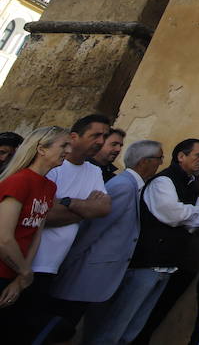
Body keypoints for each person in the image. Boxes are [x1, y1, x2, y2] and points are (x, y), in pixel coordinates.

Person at [53, 139, 163, 342]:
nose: (160, 164)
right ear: (144, 162)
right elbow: (93, 230)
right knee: (61, 327)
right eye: (159, 159)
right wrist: (66, 268)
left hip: (100, 278)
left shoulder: (133, 186)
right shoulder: (123, 186)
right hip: (86, 274)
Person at [27, 113, 114, 338]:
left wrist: (68, 202)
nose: (101, 142)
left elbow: (103, 209)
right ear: (74, 136)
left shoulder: (94, 171)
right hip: (27, 261)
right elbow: (44, 214)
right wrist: (85, 209)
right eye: (95, 135)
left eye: (104, 136)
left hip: (54, 266)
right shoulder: (53, 166)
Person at [128, 155, 199, 345]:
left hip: (186, 265)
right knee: (141, 311)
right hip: (168, 262)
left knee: (156, 311)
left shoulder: (197, 202)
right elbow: (187, 223)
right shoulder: (185, 197)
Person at [0, 126, 68, 317]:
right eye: (64, 145)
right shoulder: (19, 181)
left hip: (14, 273)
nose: (68, 151)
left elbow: (36, 233)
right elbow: (4, 238)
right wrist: (24, 272)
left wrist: (21, 278)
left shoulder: (49, 186)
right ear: (41, 149)